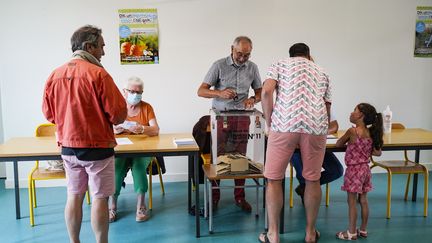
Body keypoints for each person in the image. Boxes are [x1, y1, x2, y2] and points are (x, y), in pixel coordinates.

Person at [42, 25, 127, 243]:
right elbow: (117, 115)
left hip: (68, 148)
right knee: (100, 198)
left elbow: (49, 114)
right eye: (101, 46)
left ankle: (74, 241)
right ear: (89, 46)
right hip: (98, 149)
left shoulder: (55, 74)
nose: (103, 52)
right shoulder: (98, 74)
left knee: (74, 195)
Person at [260, 43, 331, 243]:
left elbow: (266, 92)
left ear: (290, 55)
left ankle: (273, 234)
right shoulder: (322, 70)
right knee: (312, 179)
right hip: (315, 126)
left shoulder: (279, 64)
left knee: (274, 179)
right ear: (309, 55)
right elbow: (327, 107)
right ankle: (310, 233)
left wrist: (269, 122)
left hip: (284, 123)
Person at [197, 36, 262, 212]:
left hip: (242, 118)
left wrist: (253, 99)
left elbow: (259, 92)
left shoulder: (253, 67)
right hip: (220, 118)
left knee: (240, 157)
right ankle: (215, 197)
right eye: (239, 54)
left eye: (246, 55)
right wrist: (219, 93)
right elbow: (201, 91)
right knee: (219, 156)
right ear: (231, 49)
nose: (242, 58)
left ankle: (240, 197)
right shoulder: (218, 65)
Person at [109, 76, 160, 223]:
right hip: (121, 149)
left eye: (139, 92)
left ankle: (141, 206)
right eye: (132, 91)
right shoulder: (116, 107)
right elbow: (104, 129)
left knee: (138, 168)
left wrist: (143, 128)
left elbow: (156, 129)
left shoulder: (146, 107)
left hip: (143, 149)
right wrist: (115, 130)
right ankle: (112, 205)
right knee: (116, 168)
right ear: (124, 92)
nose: (135, 95)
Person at [335, 103, 383, 240]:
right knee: (363, 200)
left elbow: (339, 144)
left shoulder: (353, 131)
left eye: (354, 110)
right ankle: (363, 230)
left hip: (354, 171)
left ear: (361, 115)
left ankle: (351, 232)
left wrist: (349, 144)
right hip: (365, 170)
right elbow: (377, 152)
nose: (351, 113)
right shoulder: (371, 133)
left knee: (351, 202)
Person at [292, 113, 343, 204]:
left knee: (337, 170)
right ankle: (306, 188)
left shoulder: (322, 106)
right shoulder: (293, 107)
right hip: (297, 147)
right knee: (303, 173)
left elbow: (334, 126)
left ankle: (305, 187)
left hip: (317, 144)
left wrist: (318, 133)